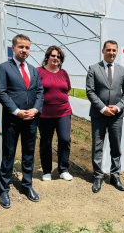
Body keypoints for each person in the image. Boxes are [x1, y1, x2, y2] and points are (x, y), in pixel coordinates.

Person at [0, 34, 44, 208]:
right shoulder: (4, 68)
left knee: (29, 154)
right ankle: (4, 189)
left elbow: (39, 92)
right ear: (13, 47)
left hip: (31, 119)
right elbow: (1, 93)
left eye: (27, 48)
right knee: (8, 154)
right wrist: (17, 111)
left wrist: (36, 109)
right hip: (13, 119)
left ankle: (27, 185)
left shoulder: (34, 70)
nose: (24, 50)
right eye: (21, 47)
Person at [86, 40, 124, 193]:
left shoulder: (123, 70)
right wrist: (103, 108)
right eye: (109, 50)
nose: (112, 53)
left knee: (115, 146)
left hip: (116, 116)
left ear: (117, 52)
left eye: (114, 50)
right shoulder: (93, 68)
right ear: (103, 51)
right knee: (98, 146)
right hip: (99, 115)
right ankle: (98, 176)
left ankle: (115, 175)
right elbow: (90, 91)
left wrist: (118, 107)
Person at [37, 46, 73, 181]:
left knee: (65, 139)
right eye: (53, 56)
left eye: (58, 57)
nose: (56, 58)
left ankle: (63, 169)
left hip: (63, 112)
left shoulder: (63, 73)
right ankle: (46, 171)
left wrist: (59, 99)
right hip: (45, 113)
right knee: (46, 142)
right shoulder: (39, 72)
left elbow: (68, 90)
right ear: (47, 57)